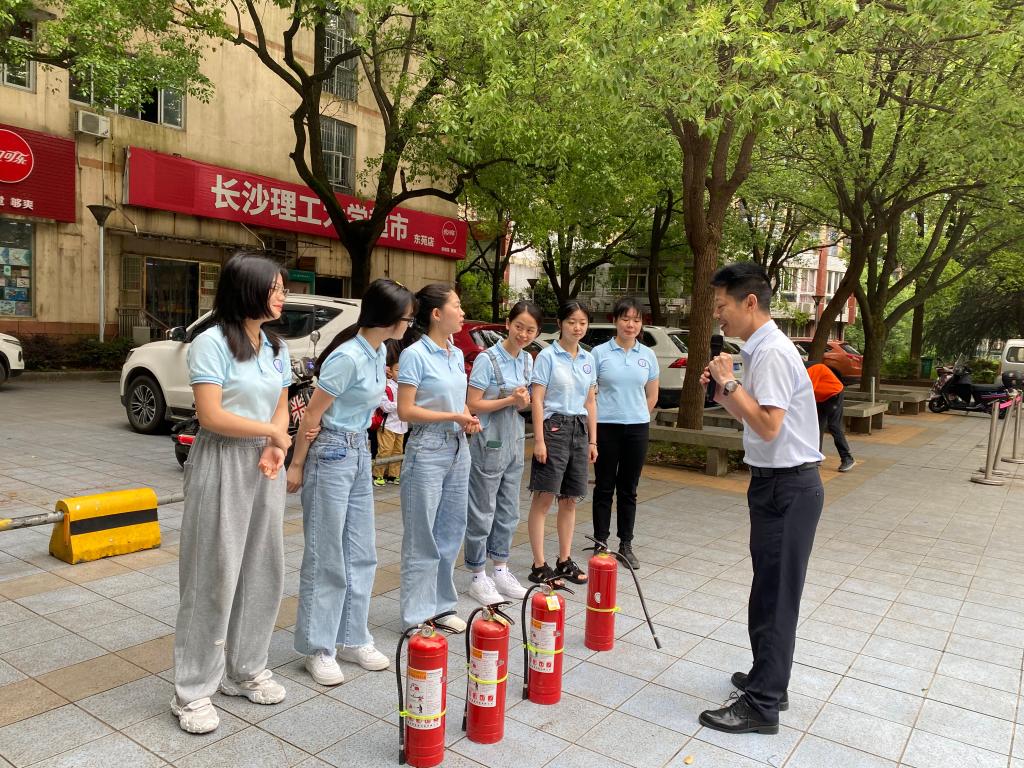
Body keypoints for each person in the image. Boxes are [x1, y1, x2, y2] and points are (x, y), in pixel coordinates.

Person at [698, 261, 824, 736]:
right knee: (768, 590)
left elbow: (769, 426)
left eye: (722, 305)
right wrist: (725, 391)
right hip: (776, 484)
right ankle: (768, 680)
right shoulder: (762, 349)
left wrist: (730, 383)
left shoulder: (771, 352)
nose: (718, 315)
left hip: (788, 487)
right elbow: (755, 419)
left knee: (775, 597)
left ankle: (763, 705)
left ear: (750, 302)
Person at [172, 252, 293, 734]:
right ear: (248, 290)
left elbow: (282, 404)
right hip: (221, 458)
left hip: (265, 461)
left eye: (282, 288)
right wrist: (272, 433)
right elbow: (211, 415)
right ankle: (192, 691)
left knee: (263, 568)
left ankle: (244, 670)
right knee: (213, 572)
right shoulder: (211, 343)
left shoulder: (275, 346)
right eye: (275, 288)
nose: (282, 295)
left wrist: (275, 443)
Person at [286, 279, 415, 686]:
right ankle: (318, 647)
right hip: (331, 451)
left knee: (361, 552)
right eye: (407, 318)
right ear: (389, 318)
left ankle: (353, 636)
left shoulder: (378, 353)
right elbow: (312, 415)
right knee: (326, 554)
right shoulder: (347, 357)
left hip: (359, 451)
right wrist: (297, 464)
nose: (409, 325)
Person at [397, 284, 481, 631]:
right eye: (456, 306)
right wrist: (453, 416)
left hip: (458, 447)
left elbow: (457, 401)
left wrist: (466, 416)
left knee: (451, 529)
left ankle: (442, 606)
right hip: (427, 448)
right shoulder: (414, 355)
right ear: (436, 314)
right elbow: (405, 410)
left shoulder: (455, 353)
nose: (462, 313)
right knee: (422, 534)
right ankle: (416, 615)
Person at [463, 300, 542, 605]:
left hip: (514, 441)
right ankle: (477, 574)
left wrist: (521, 403)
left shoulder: (527, 360)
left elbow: (523, 404)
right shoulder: (488, 359)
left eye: (530, 330)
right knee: (482, 509)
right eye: (519, 326)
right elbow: (473, 404)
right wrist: (511, 400)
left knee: (509, 509)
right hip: (488, 441)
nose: (523, 334)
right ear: (508, 324)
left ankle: (500, 569)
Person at [526, 300, 598, 585]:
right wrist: (539, 440)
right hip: (553, 428)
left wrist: (593, 441)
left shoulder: (588, 359)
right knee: (544, 497)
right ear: (560, 324)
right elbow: (537, 400)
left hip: (579, 429)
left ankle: (564, 560)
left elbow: (590, 402)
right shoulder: (547, 357)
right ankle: (539, 564)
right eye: (571, 322)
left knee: (570, 499)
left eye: (582, 322)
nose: (577, 327)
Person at [591, 297, 659, 568]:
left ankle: (626, 544)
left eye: (636, 320)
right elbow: (590, 394)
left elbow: (652, 395)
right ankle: (600, 542)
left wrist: (637, 414)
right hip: (606, 427)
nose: (631, 324)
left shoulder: (648, 355)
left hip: (637, 429)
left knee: (629, 489)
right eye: (626, 318)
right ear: (615, 321)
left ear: (641, 324)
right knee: (604, 486)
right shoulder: (599, 353)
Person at [806, 362, 855, 472]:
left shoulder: (812, 370)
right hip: (820, 398)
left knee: (834, 426)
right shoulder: (801, 371)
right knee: (816, 426)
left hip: (834, 394)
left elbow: (806, 394)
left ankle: (847, 458)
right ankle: (816, 456)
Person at [373, 341, 407, 486]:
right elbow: (385, 406)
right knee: (385, 450)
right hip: (388, 425)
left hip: (402, 425)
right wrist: (403, 404)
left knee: (398, 451)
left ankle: (393, 475)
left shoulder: (407, 387)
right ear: (390, 371)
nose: (401, 373)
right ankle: (377, 474)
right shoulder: (386, 386)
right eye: (398, 370)